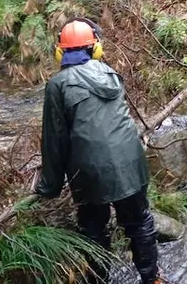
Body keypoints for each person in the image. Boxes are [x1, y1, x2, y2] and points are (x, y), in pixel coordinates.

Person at [35, 18, 161, 284]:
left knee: (93, 228)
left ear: (61, 51)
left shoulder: (57, 85)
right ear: (95, 48)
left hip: (89, 172)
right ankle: (152, 279)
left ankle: (100, 280)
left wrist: (50, 187)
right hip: (132, 162)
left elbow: (54, 142)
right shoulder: (110, 73)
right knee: (139, 223)